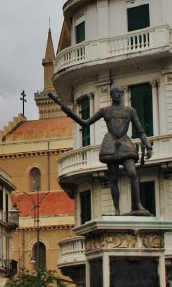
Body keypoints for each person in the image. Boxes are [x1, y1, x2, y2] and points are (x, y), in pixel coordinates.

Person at [48, 85, 153, 216]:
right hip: (111, 144)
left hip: (125, 144)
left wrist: (148, 146)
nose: (118, 95)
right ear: (111, 95)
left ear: (122, 94)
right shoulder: (105, 110)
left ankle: (137, 205)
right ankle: (117, 210)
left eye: (120, 92)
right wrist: (69, 114)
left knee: (132, 173)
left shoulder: (130, 111)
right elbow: (85, 123)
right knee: (113, 178)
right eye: (115, 93)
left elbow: (141, 131)